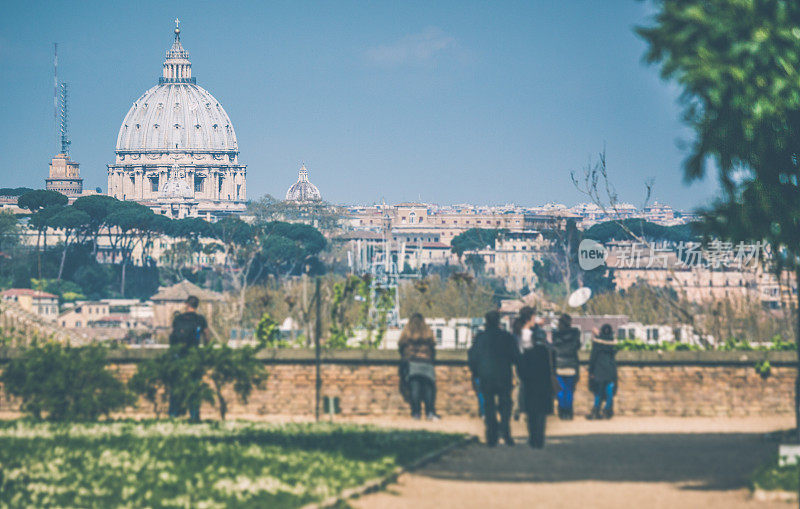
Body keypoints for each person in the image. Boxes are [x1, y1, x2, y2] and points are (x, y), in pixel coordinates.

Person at [468, 311, 519, 446]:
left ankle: (491, 435)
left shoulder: (480, 338)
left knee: (489, 405)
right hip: (503, 375)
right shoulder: (507, 337)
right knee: (505, 405)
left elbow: (472, 357)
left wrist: (475, 373)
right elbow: (516, 357)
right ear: (498, 321)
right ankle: (505, 432)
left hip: (486, 375)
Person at [517, 309, 556, 448]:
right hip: (541, 380)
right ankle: (538, 438)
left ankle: (534, 437)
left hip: (529, 379)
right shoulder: (544, 349)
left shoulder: (521, 336)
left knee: (532, 412)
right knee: (540, 413)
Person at [168, 295, 208, 421]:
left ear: (187, 304)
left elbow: (171, 335)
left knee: (176, 385)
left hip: (178, 355)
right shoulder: (200, 320)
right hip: (193, 355)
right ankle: (194, 415)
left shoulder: (178, 318)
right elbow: (206, 336)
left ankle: (173, 414)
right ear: (197, 305)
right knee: (194, 386)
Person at [398, 313, 439, 420]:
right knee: (428, 389)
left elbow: (401, 345)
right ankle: (429, 412)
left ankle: (416, 413)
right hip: (426, 363)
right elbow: (433, 346)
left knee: (414, 389)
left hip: (412, 363)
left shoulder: (407, 333)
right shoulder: (427, 332)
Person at [552, 314, 581, 420]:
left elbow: (554, 349)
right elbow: (577, 346)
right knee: (569, 390)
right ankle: (568, 412)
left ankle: (562, 411)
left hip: (559, 365)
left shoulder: (556, 335)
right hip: (571, 364)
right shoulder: (575, 334)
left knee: (560, 391)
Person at [587, 323, 618, 420]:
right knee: (609, 392)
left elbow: (593, 357)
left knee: (598, 392)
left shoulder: (597, 343)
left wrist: (591, 371)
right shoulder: (612, 343)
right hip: (610, 370)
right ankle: (607, 410)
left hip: (598, 370)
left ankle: (596, 410)